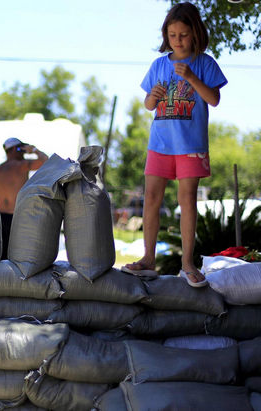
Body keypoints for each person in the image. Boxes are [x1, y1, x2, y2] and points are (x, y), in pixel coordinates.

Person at [121, 2, 227, 287]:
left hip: (190, 145)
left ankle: (187, 264)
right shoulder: (158, 65)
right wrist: (152, 98)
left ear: (195, 34)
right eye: (172, 35)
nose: (177, 40)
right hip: (159, 144)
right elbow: (147, 104)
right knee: (151, 199)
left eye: (183, 34)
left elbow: (214, 99)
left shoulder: (204, 63)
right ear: (165, 35)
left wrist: (191, 77)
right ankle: (147, 260)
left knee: (187, 201)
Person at [0, 137, 48, 259]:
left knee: (2, 258)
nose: (23, 152)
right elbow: (45, 161)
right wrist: (33, 150)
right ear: (12, 150)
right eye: (20, 149)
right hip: (17, 218)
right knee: (19, 258)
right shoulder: (20, 166)